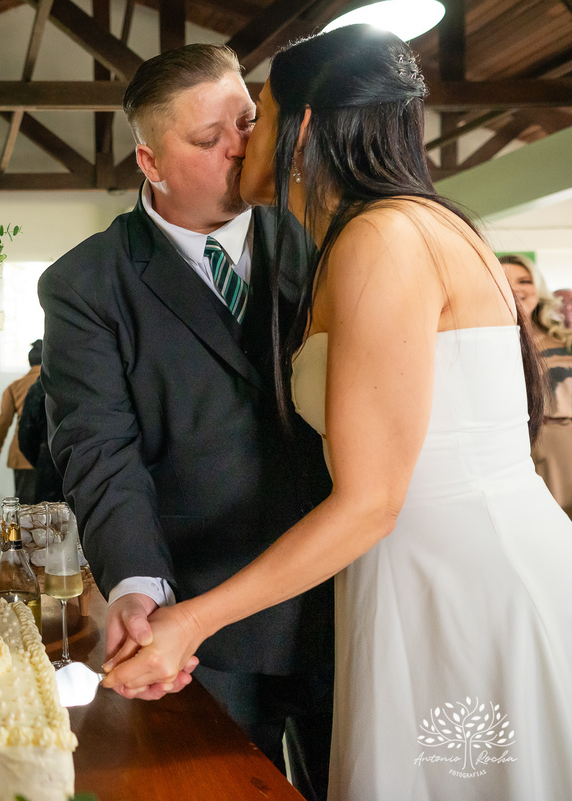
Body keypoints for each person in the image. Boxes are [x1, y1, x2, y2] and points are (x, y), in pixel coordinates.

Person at [103, 25, 572, 801]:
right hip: (419, 573)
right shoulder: (405, 224)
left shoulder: (381, 238)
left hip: (460, 586)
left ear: (306, 127)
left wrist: (191, 621)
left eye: (258, 116)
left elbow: (370, 501)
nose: (243, 140)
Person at [39, 43, 334, 797]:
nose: (241, 148)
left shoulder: (325, 237)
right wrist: (137, 586)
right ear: (151, 161)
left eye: (246, 120)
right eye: (208, 141)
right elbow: (100, 446)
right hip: (200, 623)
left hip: (350, 595)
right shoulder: (85, 283)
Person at [502, 254, 572, 516]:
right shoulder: (491, 340)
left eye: (524, 280)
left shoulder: (563, 336)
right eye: (505, 281)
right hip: (528, 443)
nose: (516, 287)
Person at [0, 339, 43, 504]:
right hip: (53, 452)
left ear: (30, 361)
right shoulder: (60, 384)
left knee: (26, 507)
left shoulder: (15, 386)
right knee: (55, 508)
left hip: (22, 453)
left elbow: (3, 421)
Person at [16, 377, 63, 503]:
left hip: (49, 469)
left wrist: (42, 460)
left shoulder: (40, 387)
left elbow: (26, 435)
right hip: (89, 465)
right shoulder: (91, 380)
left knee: (48, 519)